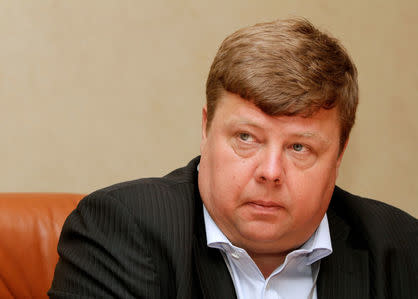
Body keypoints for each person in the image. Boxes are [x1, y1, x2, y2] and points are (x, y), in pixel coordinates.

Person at [49, 18, 417, 299]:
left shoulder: (402, 250)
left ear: (340, 153)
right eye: (246, 138)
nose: (270, 172)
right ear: (206, 129)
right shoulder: (119, 231)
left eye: (299, 148)